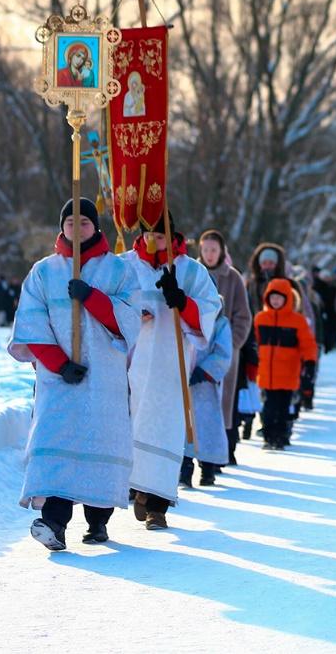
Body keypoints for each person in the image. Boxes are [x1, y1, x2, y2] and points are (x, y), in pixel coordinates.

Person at [9, 198, 141, 550]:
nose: (77, 227)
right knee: (57, 448)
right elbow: (31, 324)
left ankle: (97, 523)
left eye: (85, 221)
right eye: (71, 221)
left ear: (96, 227)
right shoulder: (43, 272)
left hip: (103, 381)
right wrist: (59, 364)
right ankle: (53, 523)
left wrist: (94, 298)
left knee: (99, 443)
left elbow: (130, 322)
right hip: (59, 382)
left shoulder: (118, 271)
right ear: (62, 226)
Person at [122, 211, 221, 530]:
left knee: (166, 428)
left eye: (160, 233)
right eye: (148, 233)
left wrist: (182, 301)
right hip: (133, 363)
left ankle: (159, 504)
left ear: (172, 234)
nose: (154, 239)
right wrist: (134, 313)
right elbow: (109, 304)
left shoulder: (191, 271)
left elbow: (208, 311)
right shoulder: (125, 265)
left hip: (171, 363)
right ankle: (138, 489)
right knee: (134, 426)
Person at [198, 230, 252, 471]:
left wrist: (233, 343)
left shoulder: (233, 278)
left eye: (213, 250)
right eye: (206, 249)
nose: (209, 255)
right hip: (196, 347)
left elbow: (244, 315)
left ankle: (222, 453)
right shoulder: (193, 272)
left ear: (221, 251)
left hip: (224, 348)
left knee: (222, 402)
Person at [253, 278, 318, 450]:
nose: (275, 300)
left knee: (283, 407)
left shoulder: (297, 321)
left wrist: (310, 362)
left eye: (279, 297)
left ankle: (281, 436)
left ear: (288, 299)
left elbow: (308, 343)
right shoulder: (260, 318)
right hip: (267, 372)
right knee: (268, 406)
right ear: (267, 298)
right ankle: (268, 436)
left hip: (288, 372)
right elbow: (255, 342)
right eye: (272, 297)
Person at [181, 312, 232, 488]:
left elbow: (223, 352)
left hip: (205, 384)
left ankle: (208, 468)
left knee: (207, 426)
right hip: (181, 379)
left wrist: (204, 371)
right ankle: (185, 470)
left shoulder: (219, 321)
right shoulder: (182, 314)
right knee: (183, 427)